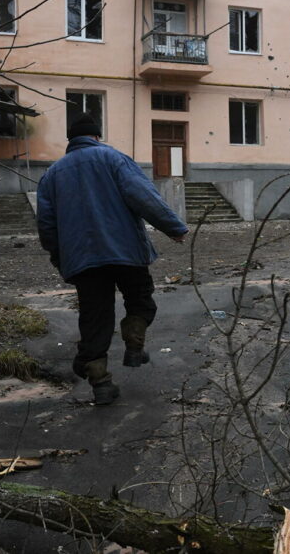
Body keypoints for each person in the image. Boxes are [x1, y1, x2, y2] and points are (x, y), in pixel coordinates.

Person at [36, 112, 188, 405]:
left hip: (83, 259)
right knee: (140, 299)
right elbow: (143, 196)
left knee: (95, 317)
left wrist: (60, 256)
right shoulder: (114, 158)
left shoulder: (52, 174)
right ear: (96, 136)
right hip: (125, 250)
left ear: (71, 140)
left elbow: (46, 224)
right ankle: (134, 345)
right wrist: (174, 228)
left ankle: (101, 383)